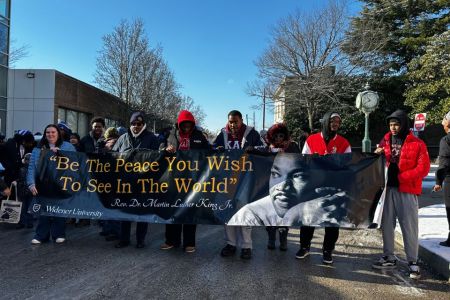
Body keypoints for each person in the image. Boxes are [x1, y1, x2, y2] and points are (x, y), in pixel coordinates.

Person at [372, 110, 430, 279]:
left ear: (404, 124)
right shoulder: (385, 140)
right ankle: (389, 256)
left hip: (407, 190)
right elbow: (381, 160)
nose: (393, 128)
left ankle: (413, 261)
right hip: (388, 189)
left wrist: (403, 177)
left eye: (396, 124)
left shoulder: (417, 143)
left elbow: (424, 168)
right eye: (391, 125)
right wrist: (378, 153)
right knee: (387, 225)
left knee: (409, 226)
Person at [297, 112, 351, 265]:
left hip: (334, 187)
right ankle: (305, 247)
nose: (335, 124)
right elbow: (303, 160)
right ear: (326, 121)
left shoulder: (343, 142)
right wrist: (313, 160)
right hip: (314, 186)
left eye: (338, 122)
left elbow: (348, 163)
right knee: (309, 218)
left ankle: (328, 251)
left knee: (332, 220)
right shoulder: (311, 139)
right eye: (333, 121)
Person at [214, 110, 265, 259]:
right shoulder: (223, 134)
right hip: (227, 179)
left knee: (245, 212)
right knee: (227, 211)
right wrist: (217, 149)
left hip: (246, 179)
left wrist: (254, 149)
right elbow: (212, 149)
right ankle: (231, 244)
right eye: (230, 122)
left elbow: (264, 148)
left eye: (235, 121)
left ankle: (246, 246)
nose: (233, 125)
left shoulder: (251, 134)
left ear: (241, 120)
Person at [159, 110, 210, 253]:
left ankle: (189, 243)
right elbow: (160, 148)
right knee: (173, 209)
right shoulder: (171, 134)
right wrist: (165, 148)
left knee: (190, 210)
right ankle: (171, 241)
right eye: (184, 125)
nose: (187, 127)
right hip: (173, 179)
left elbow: (208, 152)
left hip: (192, 180)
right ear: (179, 124)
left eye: (189, 125)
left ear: (192, 124)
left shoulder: (199, 136)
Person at [113, 111, 159, 249]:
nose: (136, 126)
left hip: (143, 182)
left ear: (143, 124)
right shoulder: (123, 138)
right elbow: (113, 156)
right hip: (125, 182)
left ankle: (140, 240)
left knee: (142, 212)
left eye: (139, 124)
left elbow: (158, 158)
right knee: (125, 211)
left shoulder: (152, 138)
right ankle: (124, 239)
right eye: (133, 123)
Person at [27, 124, 76, 244]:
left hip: (61, 184)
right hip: (43, 184)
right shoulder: (37, 149)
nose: (50, 134)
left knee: (60, 210)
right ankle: (41, 235)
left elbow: (75, 164)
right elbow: (32, 168)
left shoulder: (68, 146)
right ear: (45, 134)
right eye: (48, 132)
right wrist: (31, 184)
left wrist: (61, 154)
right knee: (43, 211)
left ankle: (58, 234)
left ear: (58, 133)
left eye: (53, 132)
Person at [433, 111, 450, 247]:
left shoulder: (446, 140)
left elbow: (444, 163)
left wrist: (438, 181)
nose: (442, 122)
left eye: (444, 119)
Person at [15, 153, 34, 229]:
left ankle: (23, 223)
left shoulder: (21, 169)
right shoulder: (34, 170)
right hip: (30, 190)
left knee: (23, 207)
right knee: (29, 207)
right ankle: (29, 223)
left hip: (23, 190)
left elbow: (19, 179)